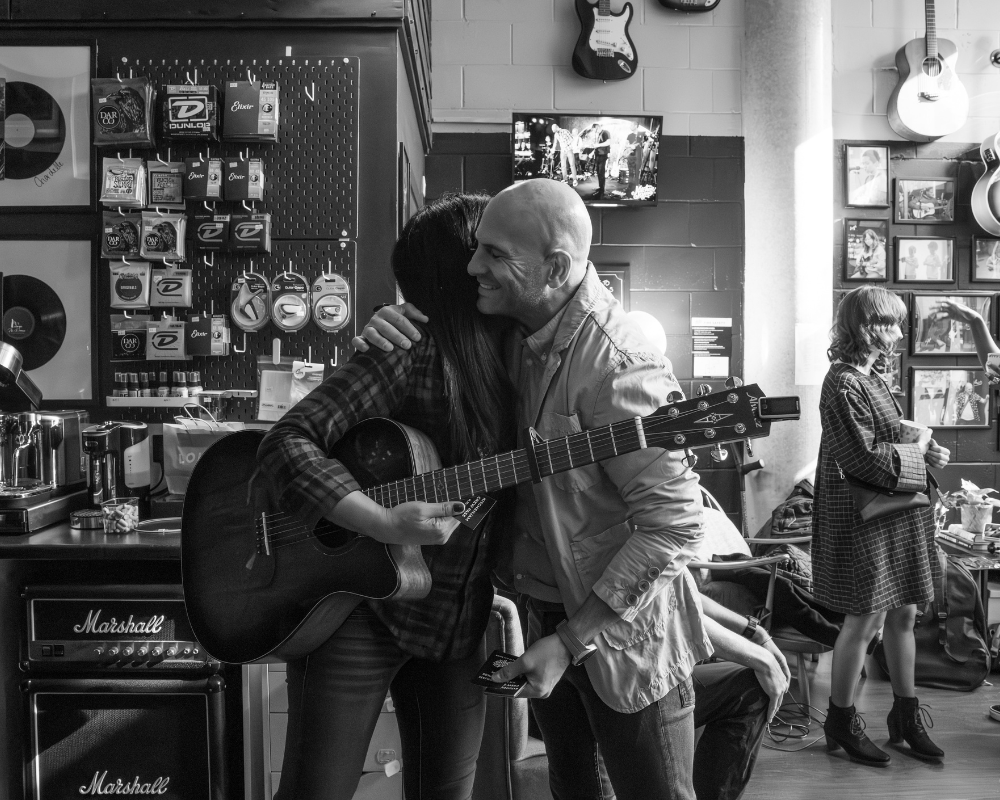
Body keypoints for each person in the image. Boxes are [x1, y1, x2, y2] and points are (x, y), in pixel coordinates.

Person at [354, 179, 790, 800]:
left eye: (495, 256)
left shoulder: (617, 363)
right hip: (544, 616)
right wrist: (387, 322)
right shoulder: (513, 332)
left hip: (618, 639)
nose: (474, 267)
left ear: (555, 266)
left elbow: (674, 526)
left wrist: (569, 639)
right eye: (477, 250)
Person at [255, 194, 518, 800]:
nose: (495, 264)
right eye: (488, 249)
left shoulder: (530, 352)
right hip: (360, 609)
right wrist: (378, 521)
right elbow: (286, 442)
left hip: (456, 616)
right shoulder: (409, 349)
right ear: (464, 266)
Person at [812, 285, 950, 767]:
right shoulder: (843, 381)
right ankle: (841, 717)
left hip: (894, 513)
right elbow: (864, 458)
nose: (897, 333)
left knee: (905, 613)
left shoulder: (871, 377)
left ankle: (905, 716)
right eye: (889, 323)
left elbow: (889, 441)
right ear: (865, 326)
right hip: (865, 517)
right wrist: (913, 451)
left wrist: (926, 449)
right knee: (864, 618)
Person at [580, 122, 611, 199]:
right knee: (599, 172)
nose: (594, 131)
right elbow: (597, 145)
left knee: (601, 172)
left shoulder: (605, 132)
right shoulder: (599, 134)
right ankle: (600, 188)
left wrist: (598, 145)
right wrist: (593, 152)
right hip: (598, 154)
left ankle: (602, 191)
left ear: (597, 127)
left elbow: (608, 142)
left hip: (602, 155)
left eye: (594, 129)